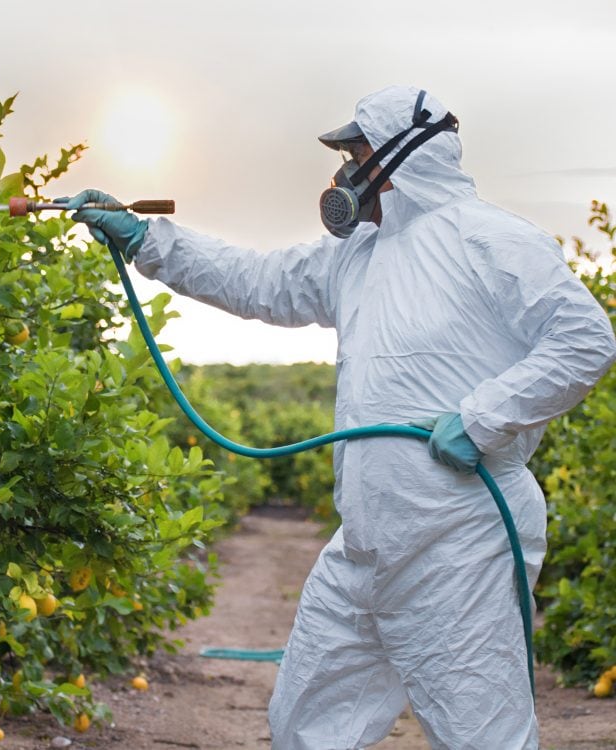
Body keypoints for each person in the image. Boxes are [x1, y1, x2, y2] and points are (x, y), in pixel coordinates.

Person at [65, 85, 616, 749]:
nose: (342, 171)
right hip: (367, 544)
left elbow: (585, 340)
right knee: (306, 725)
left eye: (354, 153)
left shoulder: (491, 239)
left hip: (461, 541)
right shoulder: (358, 255)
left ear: (397, 158)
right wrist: (146, 239)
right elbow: (256, 280)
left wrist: (482, 419)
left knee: (481, 737)